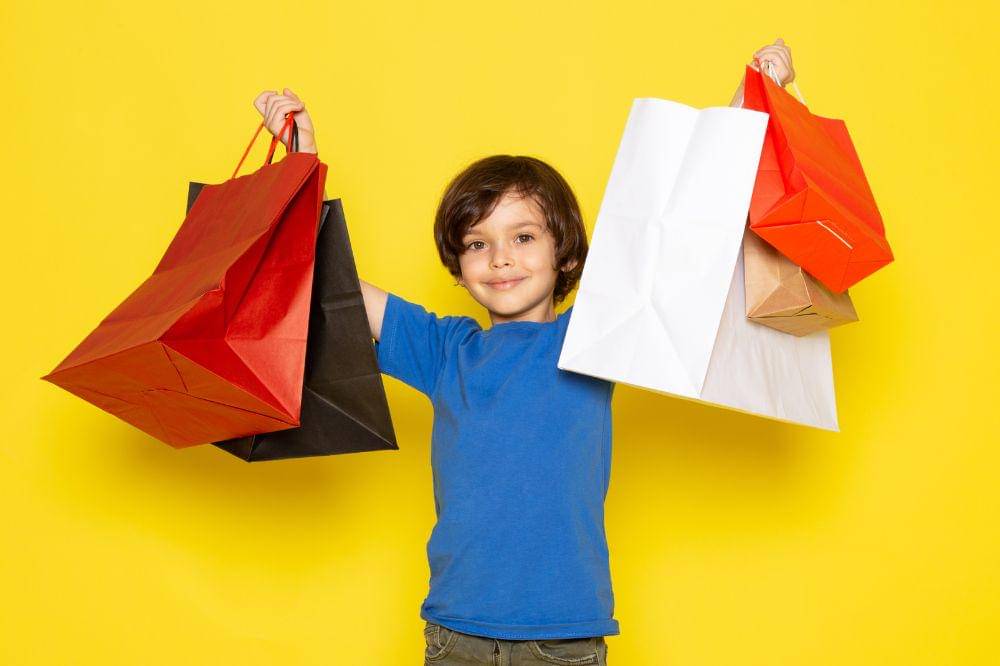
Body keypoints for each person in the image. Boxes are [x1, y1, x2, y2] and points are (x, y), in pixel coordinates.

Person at [252, 38, 796, 666]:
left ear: (565, 252)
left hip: (562, 641)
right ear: (457, 266)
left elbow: (688, 233)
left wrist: (753, 99)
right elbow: (327, 275)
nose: (501, 257)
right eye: (477, 243)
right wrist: (302, 159)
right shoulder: (445, 349)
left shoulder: (594, 336)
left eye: (524, 236)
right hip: (454, 635)